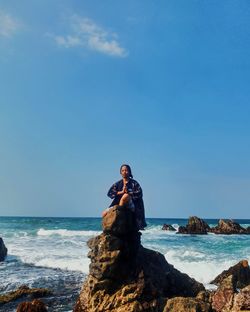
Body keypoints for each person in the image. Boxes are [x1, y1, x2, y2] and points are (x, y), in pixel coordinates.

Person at [103, 164, 147, 230]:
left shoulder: (134, 183)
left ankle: (119, 215)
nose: (124, 172)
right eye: (123, 170)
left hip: (133, 205)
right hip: (117, 203)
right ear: (120, 172)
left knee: (125, 196)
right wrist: (121, 192)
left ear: (129, 172)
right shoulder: (118, 183)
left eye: (126, 170)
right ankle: (107, 230)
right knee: (104, 213)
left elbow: (139, 194)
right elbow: (109, 193)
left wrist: (128, 193)